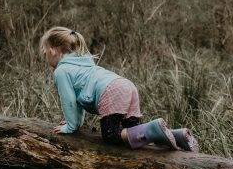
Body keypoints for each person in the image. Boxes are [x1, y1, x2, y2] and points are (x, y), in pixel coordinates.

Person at [40, 26, 197, 152]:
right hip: (126, 85)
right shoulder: (83, 63)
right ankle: (177, 136)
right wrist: (75, 123)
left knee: (110, 135)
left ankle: (154, 128)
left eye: (44, 51)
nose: (45, 54)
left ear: (53, 50)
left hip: (110, 90)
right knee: (133, 134)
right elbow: (77, 103)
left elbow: (69, 101)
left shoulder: (62, 71)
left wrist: (70, 126)